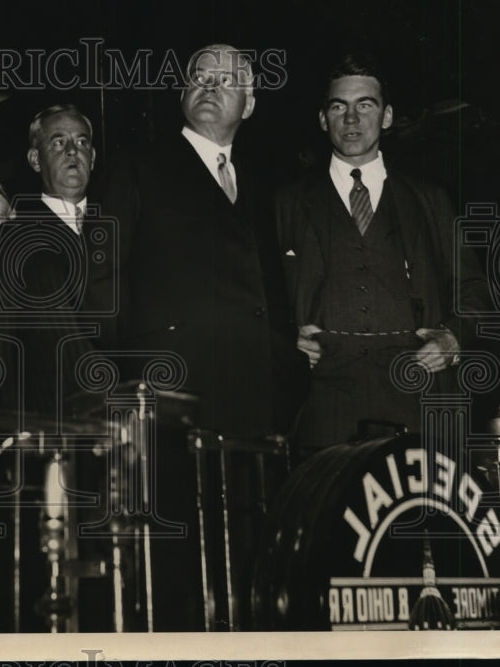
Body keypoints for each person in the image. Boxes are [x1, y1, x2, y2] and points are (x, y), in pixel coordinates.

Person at [86, 45, 304, 631]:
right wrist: (138, 384)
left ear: (250, 103)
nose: (210, 85)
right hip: (169, 411)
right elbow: (98, 288)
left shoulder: (265, 189)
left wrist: (284, 357)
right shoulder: (136, 166)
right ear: (183, 95)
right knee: (174, 578)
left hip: (253, 413)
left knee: (246, 576)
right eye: (199, 77)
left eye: (227, 79)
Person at [275, 53, 489, 452]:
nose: (351, 119)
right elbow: (261, 301)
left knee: (417, 512)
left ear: (387, 117)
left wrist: (454, 340)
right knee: (331, 511)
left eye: (365, 105)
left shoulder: (430, 200)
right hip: (325, 398)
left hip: (417, 391)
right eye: (339, 107)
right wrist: (288, 339)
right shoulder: (285, 203)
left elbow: (474, 290)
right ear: (323, 120)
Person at [0, 105, 100, 422]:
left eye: (82, 142)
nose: (73, 151)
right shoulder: (8, 240)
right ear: (34, 159)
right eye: (58, 142)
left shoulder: (126, 228)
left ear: (94, 158)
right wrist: (8, 436)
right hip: (54, 429)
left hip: (134, 429)